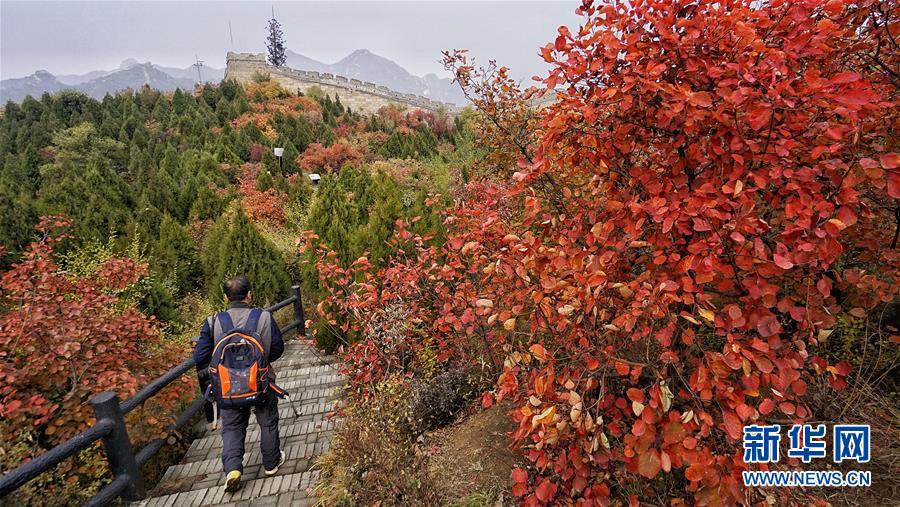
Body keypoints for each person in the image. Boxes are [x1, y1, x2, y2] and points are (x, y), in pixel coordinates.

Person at [193, 275, 286, 493]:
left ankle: (233, 469)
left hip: (226, 386)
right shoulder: (264, 317)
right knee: (267, 420)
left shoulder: (213, 322)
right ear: (249, 295)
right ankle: (271, 464)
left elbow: (200, 357)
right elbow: (278, 348)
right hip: (261, 380)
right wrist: (260, 361)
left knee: (232, 426)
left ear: (226, 297)